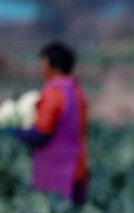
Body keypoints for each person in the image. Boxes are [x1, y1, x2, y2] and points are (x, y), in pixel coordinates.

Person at [6, 41, 90, 204]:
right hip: (78, 166)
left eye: (43, 63)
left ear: (54, 66)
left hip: (55, 171)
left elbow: (42, 134)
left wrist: (17, 132)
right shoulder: (77, 90)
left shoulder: (54, 93)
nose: (41, 68)